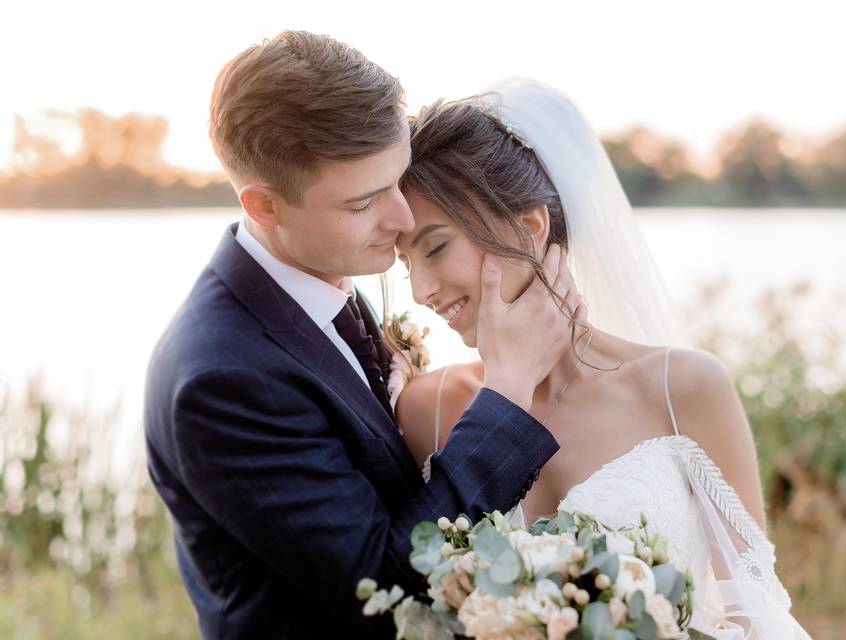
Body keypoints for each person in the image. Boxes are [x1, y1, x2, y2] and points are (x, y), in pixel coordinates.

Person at [143, 34, 581, 639]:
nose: (402, 219)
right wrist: (506, 391)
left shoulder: (317, 279)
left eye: (397, 179)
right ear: (265, 206)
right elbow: (386, 582)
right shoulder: (224, 378)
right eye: (364, 202)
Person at [393, 79, 812, 638]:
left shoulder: (683, 387)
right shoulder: (429, 408)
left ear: (531, 226)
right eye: (404, 263)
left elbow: (754, 615)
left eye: (436, 246)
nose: (421, 289)